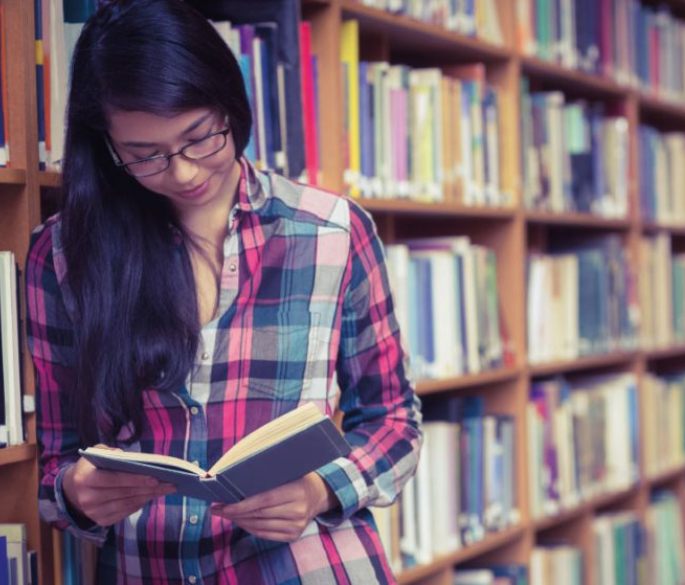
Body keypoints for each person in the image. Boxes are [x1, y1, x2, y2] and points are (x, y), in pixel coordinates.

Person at [24, 1, 422, 583]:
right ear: (106, 148)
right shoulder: (63, 256)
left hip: (306, 565)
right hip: (149, 569)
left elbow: (393, 420)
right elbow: (52, 459)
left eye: (200, 137)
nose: (183, 172)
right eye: (145, 155)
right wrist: (74, 493)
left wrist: (318, 490)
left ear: (230, 103)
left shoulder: (332, 232)